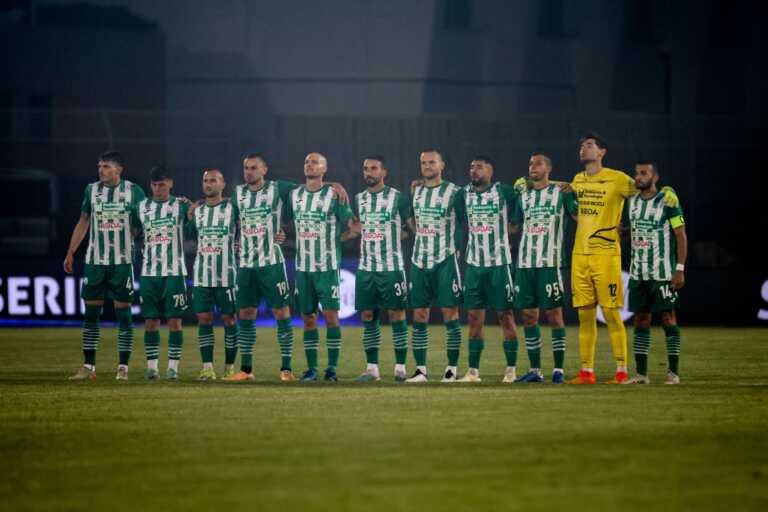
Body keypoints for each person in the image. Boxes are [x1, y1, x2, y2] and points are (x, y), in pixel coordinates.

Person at [566, 133, 678, 385]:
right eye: (581, 145)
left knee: (610, 313)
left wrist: (668, 190)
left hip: (606, 255)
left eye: (589, 145)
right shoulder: (578, 180)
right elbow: (565, 194)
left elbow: (647, 189)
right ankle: (586, 371)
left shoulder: (618, 179)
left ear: (602, 152)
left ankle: (621, 370)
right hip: (580, 255)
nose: (583, 148)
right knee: (585, 316)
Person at [64, 151, 145, 381]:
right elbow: (83, 221)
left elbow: (143, 222)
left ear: (119, 169)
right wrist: (71, 251)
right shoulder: (91, 190)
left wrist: (133, 235)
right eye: (99, 166)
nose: (101, 170)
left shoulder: (134, 191)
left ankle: (123, 367)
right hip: (95, 261)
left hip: (122, 262)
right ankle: (88, 366)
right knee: (91, 315)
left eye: (106, 166)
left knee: (124, 315)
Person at [226, 154, 296, 382]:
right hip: (246, 265)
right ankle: (246, 370)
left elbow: (308, 189)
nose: (248, 172)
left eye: (253, 168)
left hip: (271, 264)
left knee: (281, 312)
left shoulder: (278, 188)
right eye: (246, 168)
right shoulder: (238, 193)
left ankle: (286, 369)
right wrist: (236, 240)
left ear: (264, 170)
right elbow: (230, 218)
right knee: (246, 313)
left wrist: (333, 185)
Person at [286, 152, 355, 382]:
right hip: (303, 268)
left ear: (324, 169)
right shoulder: (294, 194)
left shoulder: (334, 195)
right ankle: (312, 369)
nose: (310, 165)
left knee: (331, 317)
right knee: (308, 318)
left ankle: (332, 369)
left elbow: (353, 226)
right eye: (307, 161)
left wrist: (337, 240)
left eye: (315, 162)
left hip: (327, 267)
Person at [512, 154, 578, 384]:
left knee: (554, 315)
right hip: (525, 264)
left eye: (538, 163)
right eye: (530, 163)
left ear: (549, 168)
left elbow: (579, 216)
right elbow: (514, 226)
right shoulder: (523, 195)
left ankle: (558, 369)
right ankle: (535, 370)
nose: (533, 166)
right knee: (529, 316)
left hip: (550, 263)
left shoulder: (562, 192)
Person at [454, 156, 520, 383]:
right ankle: (473, 372)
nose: (474, 170)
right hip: (474, 266)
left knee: (505, 315)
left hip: (499, 265)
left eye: (479, 167)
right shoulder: (463, 194)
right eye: (471, 167)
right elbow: (460, 221)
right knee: (474, 318)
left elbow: (520, 209)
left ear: (490, 171)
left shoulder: (504, 192)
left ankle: (511, 370)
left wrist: (511, 226)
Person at [345, 155, 411, 382]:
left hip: (392, 268)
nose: (369, 172)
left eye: (374, 168)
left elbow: (410, 230)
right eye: (366, 168)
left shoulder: (398, 198)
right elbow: (356, 228)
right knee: (367, 315)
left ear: (384, 172)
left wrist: (392, 235)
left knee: (396, 314)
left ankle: (400, 368)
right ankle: (372, 369)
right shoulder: (359, 199)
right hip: (366, 268)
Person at [622, 162, 687, 385]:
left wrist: (679, 269)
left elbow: (680, 235)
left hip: (662, 274)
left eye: (644, 173)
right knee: (641, 320)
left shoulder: (668, 201)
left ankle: (673, 373)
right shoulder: (631, 202)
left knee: (668, 319)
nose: (638, 177)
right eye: (636, 173)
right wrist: (621, 233)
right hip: (638, 274)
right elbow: (630, 231)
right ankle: (641, 375)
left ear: (655, 177)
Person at [406, 149, 464, 383]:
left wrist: (458, 247)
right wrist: (419, 233)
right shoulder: (416, 191)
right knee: (419, 314)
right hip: (419, 260)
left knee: (450, 313)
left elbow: (464, 221)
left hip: (445, 260)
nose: (427, 166)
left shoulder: (455, 192)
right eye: (423, 163)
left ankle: (451, 369)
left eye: (432, 162)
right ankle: (421, 370)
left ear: (442, 165)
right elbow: (412, 220)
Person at [133, 166, 189, 380]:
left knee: (174, 321)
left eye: (162, 185)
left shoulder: (181, 205)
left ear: (170, 184)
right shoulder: (141, 207)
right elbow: (133, 231)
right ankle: (152, 367)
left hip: (174, 272)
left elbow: (199, 219)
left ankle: (173, 368)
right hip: (149, 273)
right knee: (151, 321)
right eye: (155, 185)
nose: (158, 189)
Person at [186, 169, 239, 381]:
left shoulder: (232, 208)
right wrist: (190, 212)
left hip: (227, 275)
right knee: (204, 319)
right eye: (205, 180)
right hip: (202, 276)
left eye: (213, 180)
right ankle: (207, 367)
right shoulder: (197, 212)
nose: (208, 184)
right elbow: (189, 234)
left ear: (223, 184)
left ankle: (229, 368)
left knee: (229, 319)